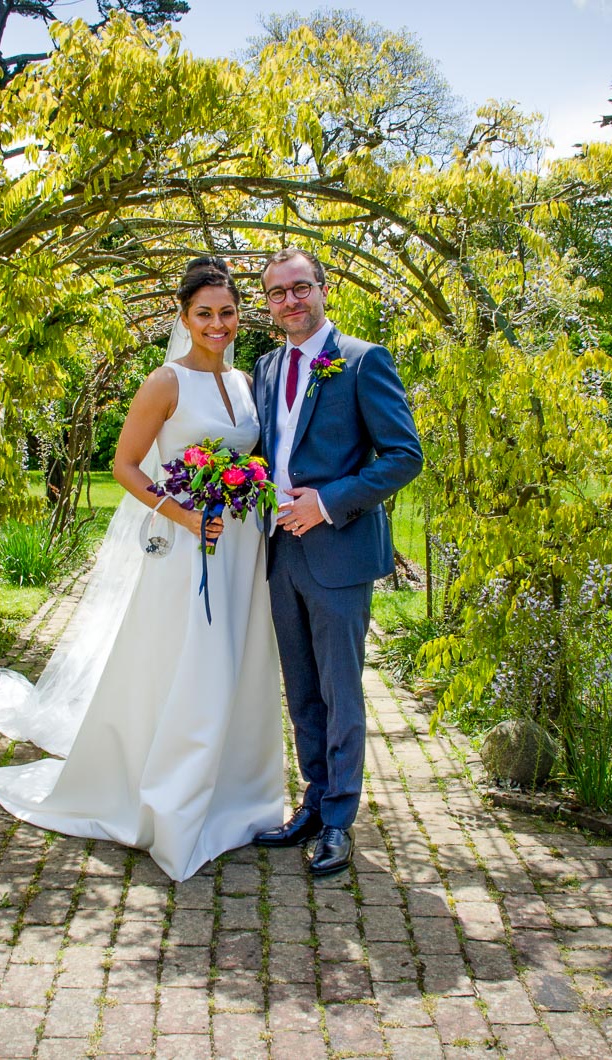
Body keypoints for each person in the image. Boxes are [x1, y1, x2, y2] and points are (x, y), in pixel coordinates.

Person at [0, 258, 285, 882]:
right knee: (191, 664)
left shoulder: (245, 383)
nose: (218, 324)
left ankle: (236, 796)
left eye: (228, 312)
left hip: (242, 548)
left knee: (239, 666)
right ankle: (173, 805)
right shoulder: (166, 381)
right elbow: (125, 465)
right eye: (204, 313)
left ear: (240, 315)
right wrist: (184, 515)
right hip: (189, 546)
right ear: (184, 318)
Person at [250, 247, 422, 877]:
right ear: (267, 305)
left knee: (340, 690)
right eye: (277, 293)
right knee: (301, 692)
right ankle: (314, 803)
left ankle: (341, 821)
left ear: (322, 291)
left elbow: (403, 455)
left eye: (301, 288)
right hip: (280, 551)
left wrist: (327, 502)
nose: (290, 301)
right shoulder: (266, 368)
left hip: (338, 552)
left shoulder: (363, 360)